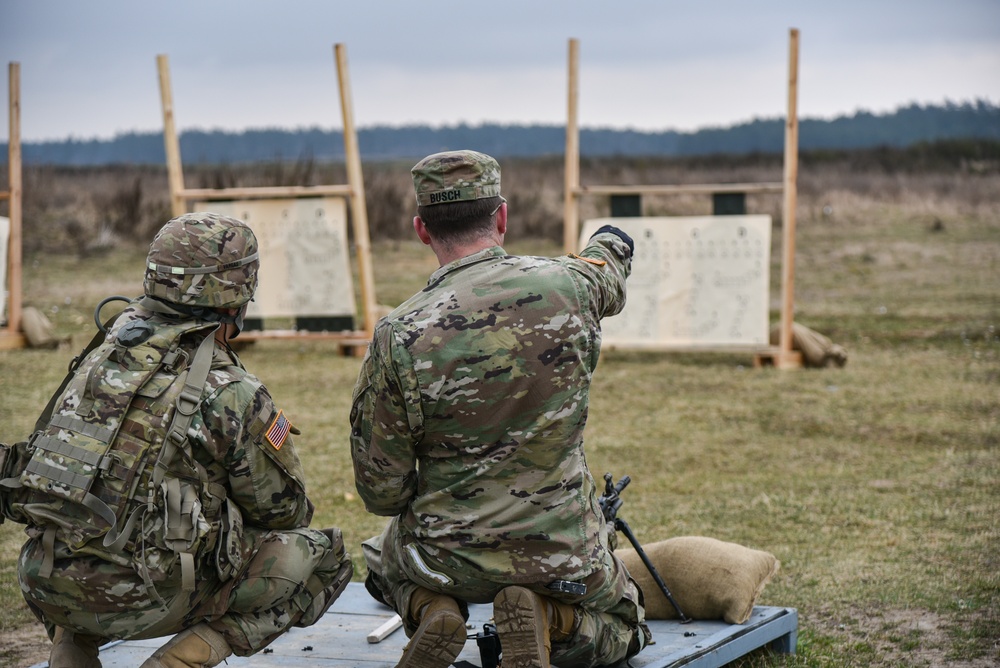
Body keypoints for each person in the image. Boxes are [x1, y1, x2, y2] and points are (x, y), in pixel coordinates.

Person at [1, 213, 352, 668]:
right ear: (240, 292)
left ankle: (71, 649)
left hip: (44, 579)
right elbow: (285, 511)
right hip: (148, 597)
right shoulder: (232, 390)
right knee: (323, 557)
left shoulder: (100, 355)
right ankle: (183, 658)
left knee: (88, 531)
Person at [351, 150, 650, 668]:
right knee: (627, 625)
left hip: (444, 558)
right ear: (502, 217)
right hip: (560, 550)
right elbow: (606, 272)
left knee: (381, 562)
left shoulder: (398, 334)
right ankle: (549, 617)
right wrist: (612, 241)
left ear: (423, 230)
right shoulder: (569, 289)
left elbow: (382, 490)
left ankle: (435, 610)